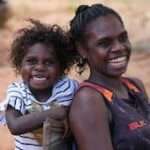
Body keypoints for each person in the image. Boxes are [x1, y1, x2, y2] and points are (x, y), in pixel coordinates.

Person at [68, 4, 150, 150]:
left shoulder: (135, 86)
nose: (119, 47)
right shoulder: (89, 100)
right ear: (82, 49)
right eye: (104, 43)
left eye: (123, 38)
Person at [5, 19, 78, 150]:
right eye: (31, 61)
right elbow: (15, 126)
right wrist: (54, 113)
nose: (39, 67)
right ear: (20, 65)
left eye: (49, 62)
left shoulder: (68, 88)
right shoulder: (18, 92)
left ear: (61, 68)